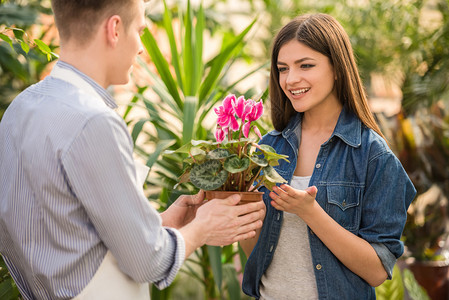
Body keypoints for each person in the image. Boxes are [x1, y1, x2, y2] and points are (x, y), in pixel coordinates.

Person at [0, 0, 265, 299]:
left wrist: (161, 223)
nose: (140, 47)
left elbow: (62, 233)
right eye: (139, 30)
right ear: (114, 29)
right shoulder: (94, 121)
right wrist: (203, 228)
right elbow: (148, 264)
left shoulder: (20, 109)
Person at [240, 13, 416, 299]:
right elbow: (256, 253)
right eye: (283, 68)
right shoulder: (267, 149)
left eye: (305, 65)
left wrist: (310, 213)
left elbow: (377, 271)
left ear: (337, 68)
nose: (291, 79)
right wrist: (243, 215)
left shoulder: (373, 156)